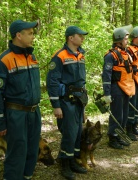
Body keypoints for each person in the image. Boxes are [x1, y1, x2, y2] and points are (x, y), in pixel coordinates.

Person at [0, 20, 41, 180]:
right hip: (16, 115)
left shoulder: (32, 56)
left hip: (34, 112)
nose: (33, 36)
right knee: (17, 153)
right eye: (30, 33)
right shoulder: (3, 60)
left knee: (32, 152)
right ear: (18, 35)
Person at [46, 26, 88, 180]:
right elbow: (52, 82)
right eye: (80, 35)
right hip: (66, 101)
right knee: (69, 133)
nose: (82, 38)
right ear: (71, 38)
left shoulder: (81, 55)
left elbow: (82, 81)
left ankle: (72, 161)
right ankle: (64, 163)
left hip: (78, 100)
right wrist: (56, 105)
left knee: (77, 133)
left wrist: (84, 103)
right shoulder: (59, 56)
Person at [102, 26, 135, 149]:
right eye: (126, 39)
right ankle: (112, 137)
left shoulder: (126, 54)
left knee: (124, 114)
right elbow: (106, 75)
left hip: (126, 88)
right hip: (116, 88)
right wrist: (107, 93)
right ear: (119, 40)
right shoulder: (111, 55)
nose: (127, 41)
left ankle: (119, 135)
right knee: (117, 115)